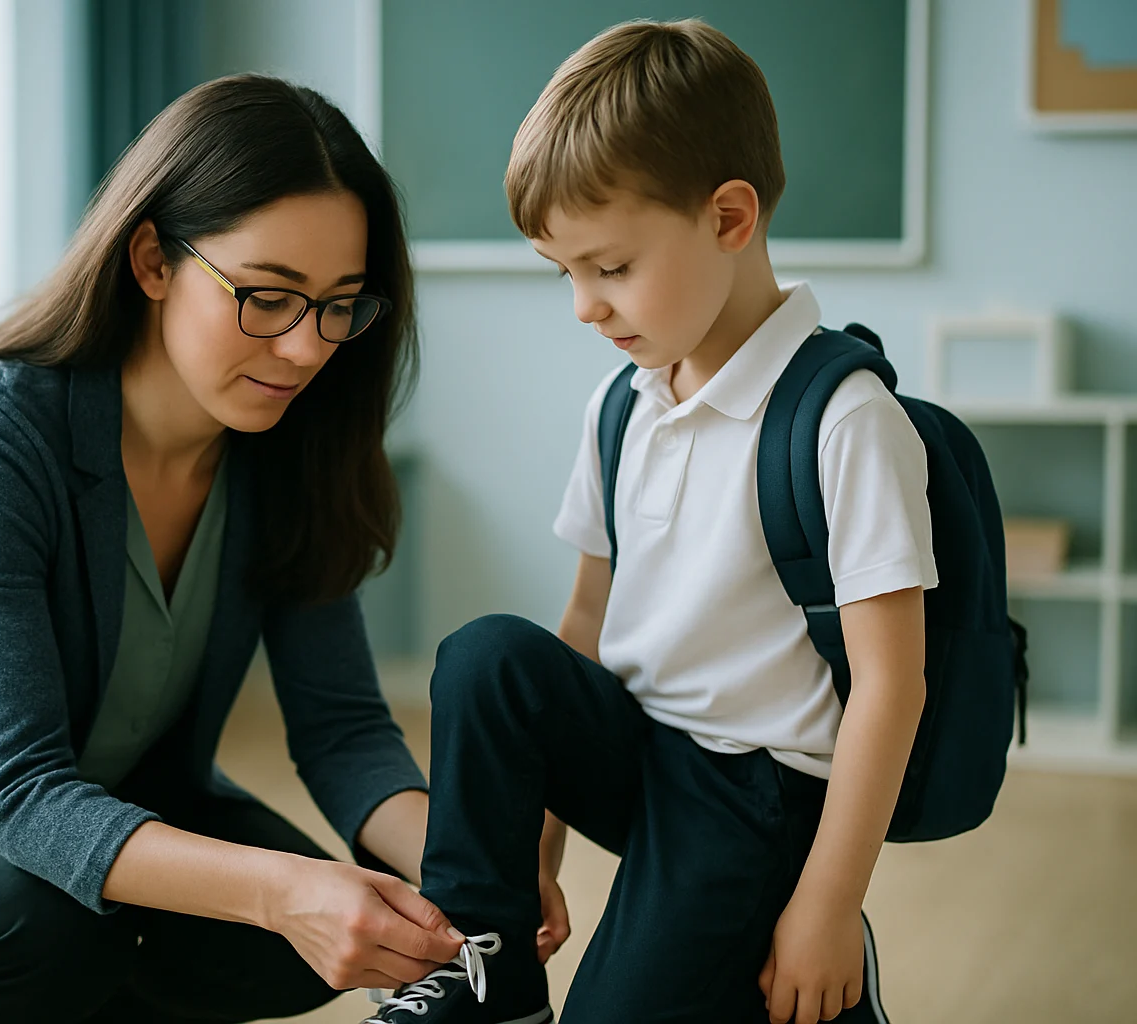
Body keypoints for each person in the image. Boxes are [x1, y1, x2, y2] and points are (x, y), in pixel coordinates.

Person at [0, 75, 476, 1023]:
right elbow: (19, 793)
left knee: (295, 950)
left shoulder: (296, 443)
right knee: (44, 918)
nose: (304, 350)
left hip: (111, 788)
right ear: (152, 260)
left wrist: (466, 868)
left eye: (339, 305)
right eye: (266, 297)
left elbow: (341, 731)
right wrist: (280, 891)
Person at [364, 20, 935, 1024]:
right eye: (564, 273)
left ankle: (836, 982)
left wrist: (828, 907)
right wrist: (528, 855)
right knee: (485, 657)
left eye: (611, 267)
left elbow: (891, 685)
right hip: (642, 752)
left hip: (755, 799)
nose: (585, 306)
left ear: (728, 217)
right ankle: (483, 976)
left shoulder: (845, 421)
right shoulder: (623, 404)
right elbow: (584, 622)